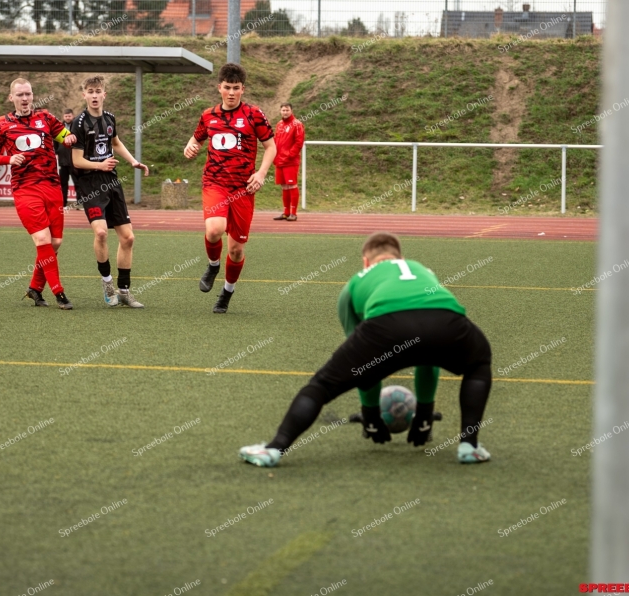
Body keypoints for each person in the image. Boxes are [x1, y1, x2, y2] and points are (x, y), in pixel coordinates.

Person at [239, 232, 493, 468]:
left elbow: (365, 367)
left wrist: (370, 414)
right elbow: (428, 355)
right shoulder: (423, 270)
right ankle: (469, 446)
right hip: (447, 320)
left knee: (321, 386)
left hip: (387, 325)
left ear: (366, 262)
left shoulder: (355, 283)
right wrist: (424, 413)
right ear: (400, 257)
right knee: (478, 364)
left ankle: (273, 449)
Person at [184, 63, 276, 314]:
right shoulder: (208, 115)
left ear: (243, 89)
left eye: (236, 88)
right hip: (215, 183)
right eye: (227, 87)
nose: (232, 92)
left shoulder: (254, 114)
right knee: (215, 229)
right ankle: (213, 265)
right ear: (219, 88)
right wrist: (189, 147)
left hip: (243, 188)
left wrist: (261, 172)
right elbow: (196, 139)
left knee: (236, 250)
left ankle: (226, 292)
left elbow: (271, 146)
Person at [0, 78, 76, 310]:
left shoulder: (45, 118)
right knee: (42, 240)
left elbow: (62, 135)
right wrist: (8, 158)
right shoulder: (2, 123)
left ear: (32, 95)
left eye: (28, 94)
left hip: (52, 186)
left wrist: (69, 138)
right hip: (25, 188)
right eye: (20, 95)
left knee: (55, 242)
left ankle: (35, 288)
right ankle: (59, 293)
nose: (25, 99)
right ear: (11, 97)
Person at [71, 76, 149, 308]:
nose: (94, 95)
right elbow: (76, 160)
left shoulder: (110, 118)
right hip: (90, 184)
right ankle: (107, 285)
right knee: (102, 233)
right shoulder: (79, 122)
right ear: (84, 95)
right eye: (90, 91)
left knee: (128, 237)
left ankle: (124, 291)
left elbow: (115, 143)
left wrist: (134, 161)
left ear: (104, 94)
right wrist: (100, 165)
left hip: (111, 182)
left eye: (98, 91)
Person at [272, 103, 305, 221]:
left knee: (292, 185)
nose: (285, 112)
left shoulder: (297, 124)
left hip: (290, 161)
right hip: (279, 160)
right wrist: (274, 156)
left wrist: (289, 155)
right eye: (283, 110)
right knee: (284, 186)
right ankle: (286, 212)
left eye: (287, 110)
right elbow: (275, 141)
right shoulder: (279, 125)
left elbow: (298, 142)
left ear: (291, 111)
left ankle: (294, 213)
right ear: (280, 111)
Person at [56, 108, 75, 208]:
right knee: (63, 183)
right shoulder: (59, 126)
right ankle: (63, 204)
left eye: (69, 116)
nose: (68, 118)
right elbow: (55, 140)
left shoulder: (76, 126)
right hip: (63, 160)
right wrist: (56, 152)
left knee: (78, 182)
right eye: (66, 116)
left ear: (72, 116)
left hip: (75, 159)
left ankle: (80, 203)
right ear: (63, 117)